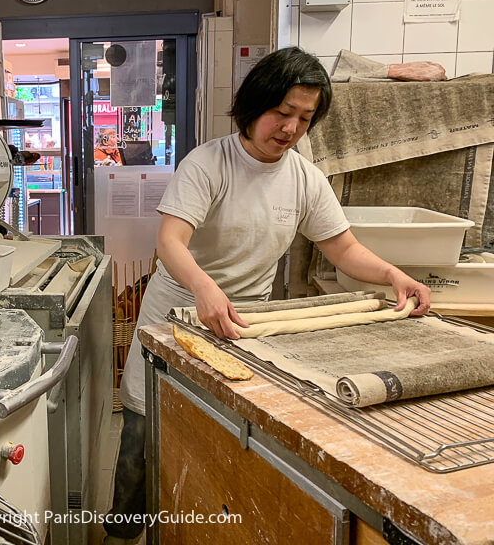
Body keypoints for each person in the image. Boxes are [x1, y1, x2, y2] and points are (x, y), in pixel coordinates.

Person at [103, 47, 431, 544]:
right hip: (176, 316)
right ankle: (121, 536)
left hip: (246, 327)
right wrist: (205, 289)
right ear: (255, 105)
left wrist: (392, 275)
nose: (290, 128)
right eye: (282, 112)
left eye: (304, 117)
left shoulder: (304, 178)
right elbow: (170, 242)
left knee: (218, 435)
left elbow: (342, 248)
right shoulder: (209, 163)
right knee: (141, 440)